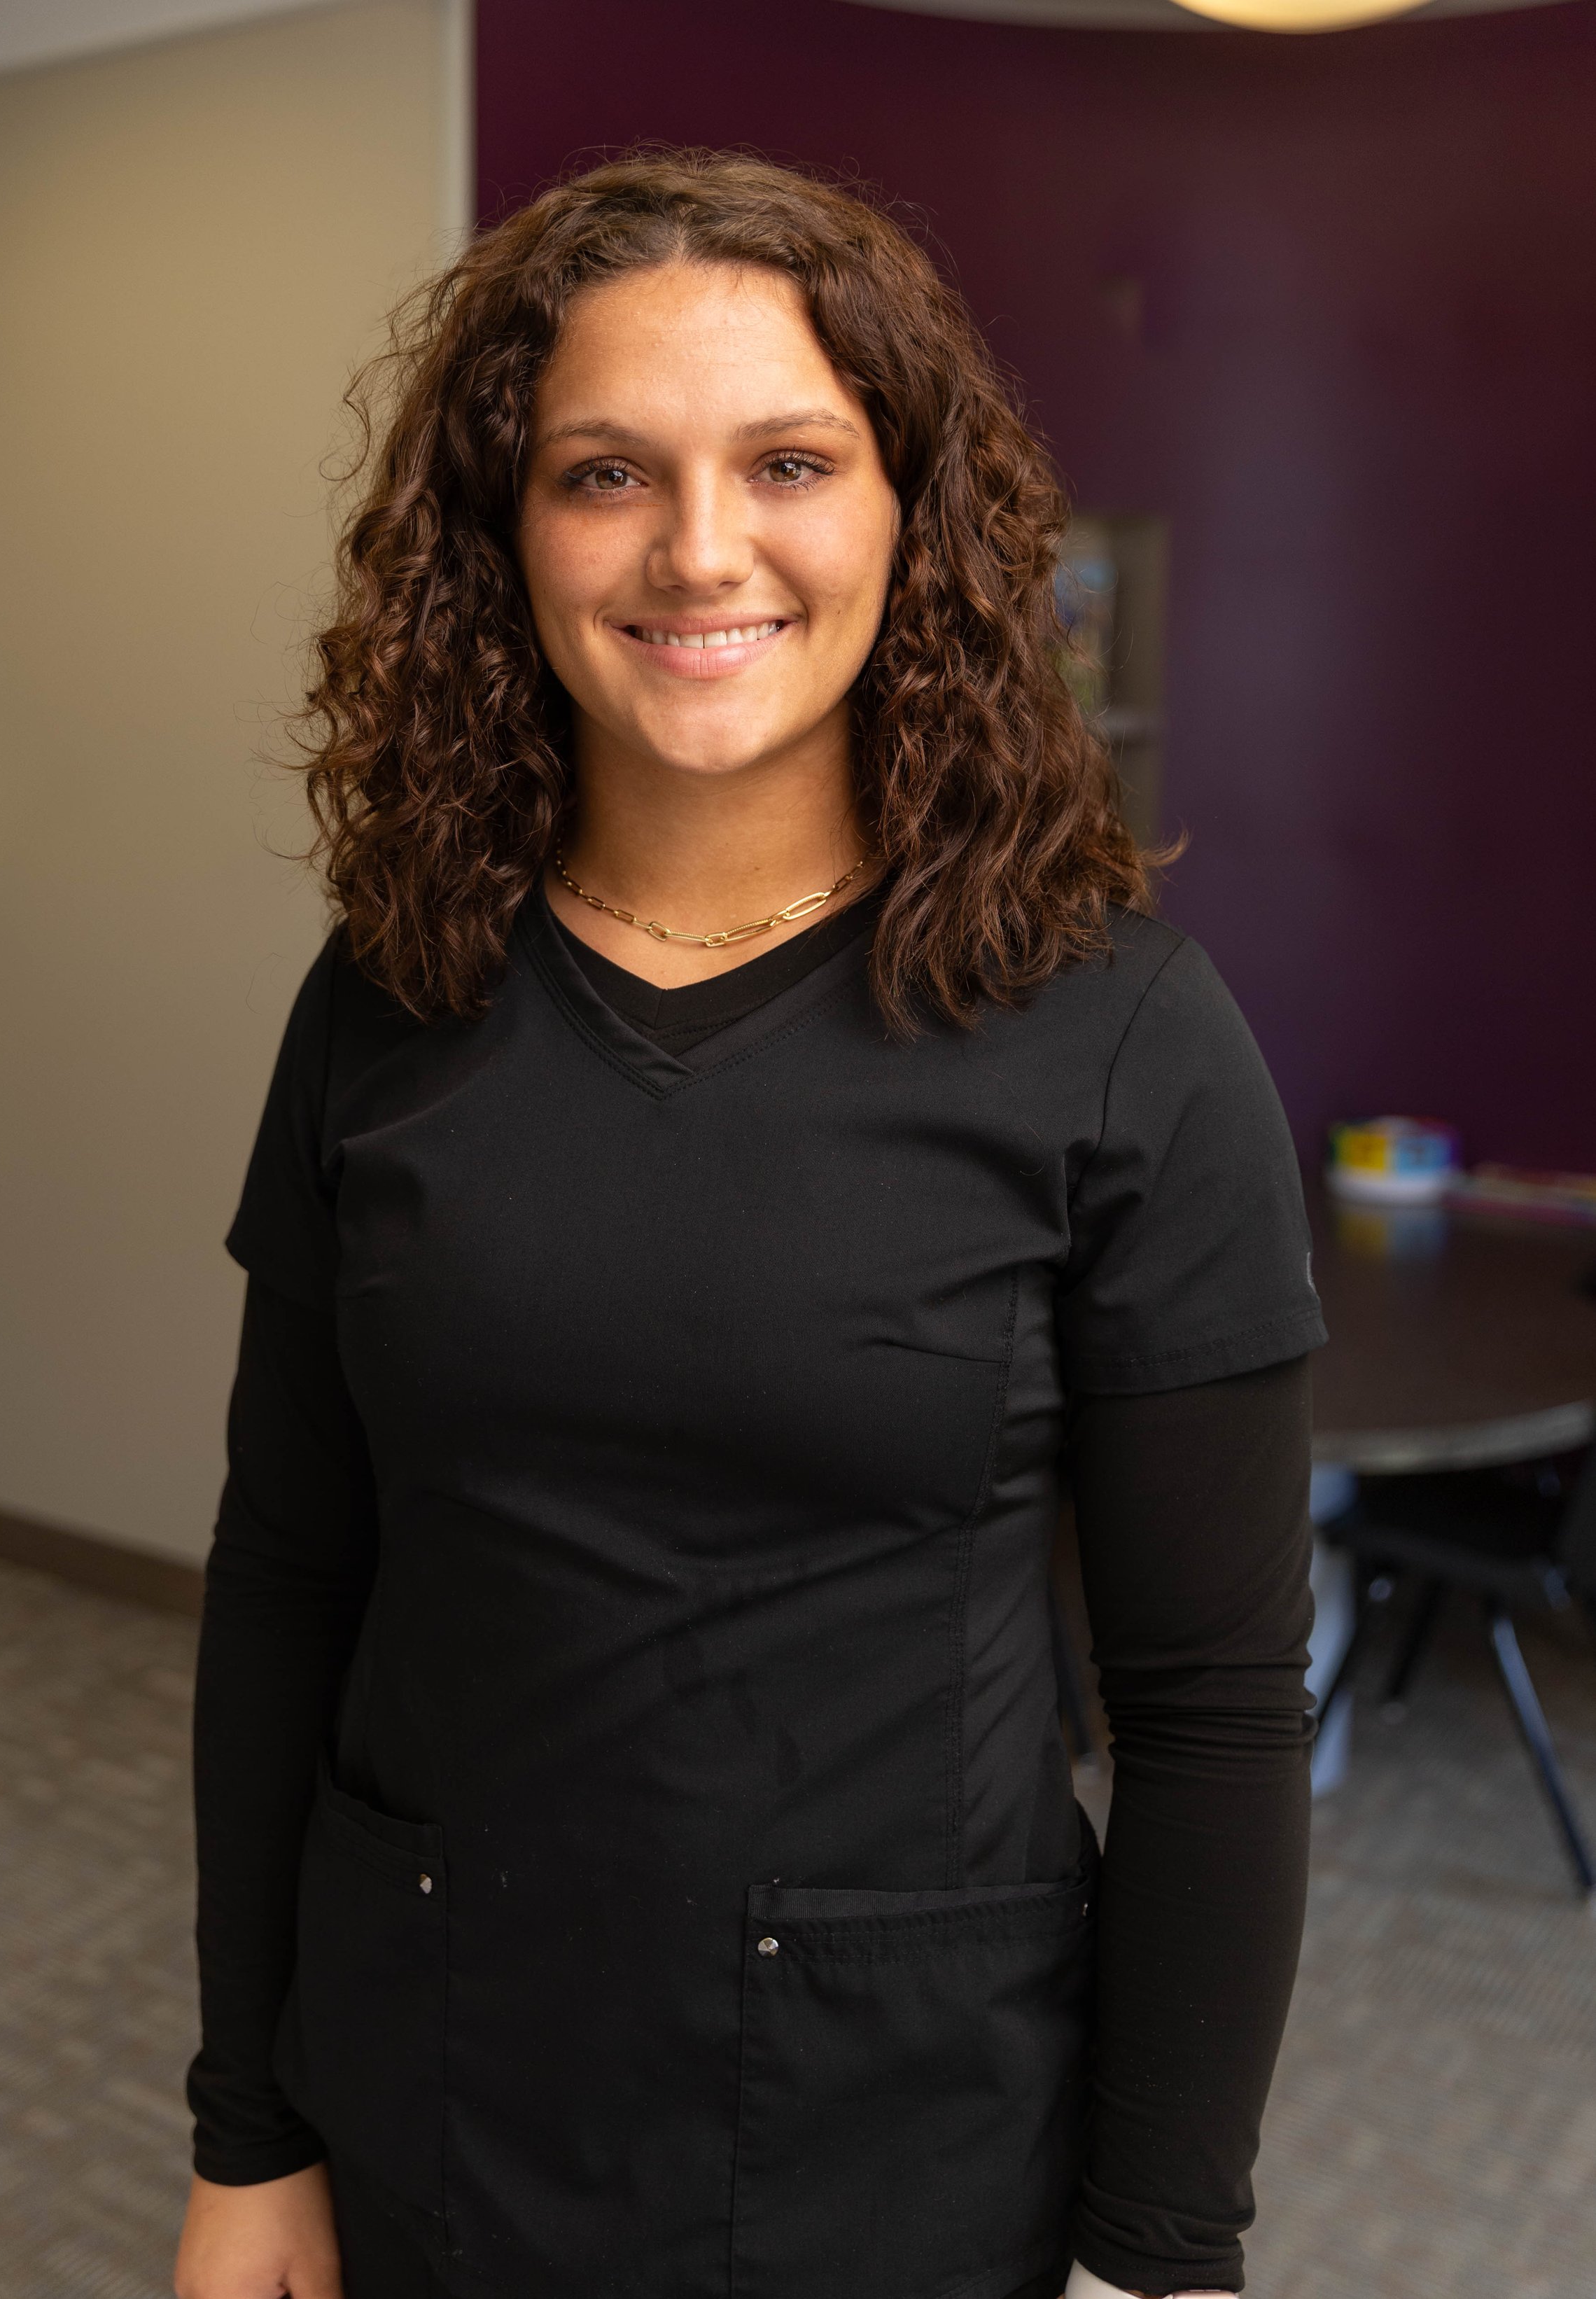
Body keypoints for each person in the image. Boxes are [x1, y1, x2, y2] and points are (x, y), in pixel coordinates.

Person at [173, 151, 1324, 2299]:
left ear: (912, 512)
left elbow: (1212, 1709)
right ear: (501, 536)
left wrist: (1163, 2253)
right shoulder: (389, 988)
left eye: (788, 459)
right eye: (605, 472)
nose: (700, 549)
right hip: (438, 2092)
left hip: (909, 2147)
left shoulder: (1120, 1034)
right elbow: (287, 1582)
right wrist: (250, 2124)